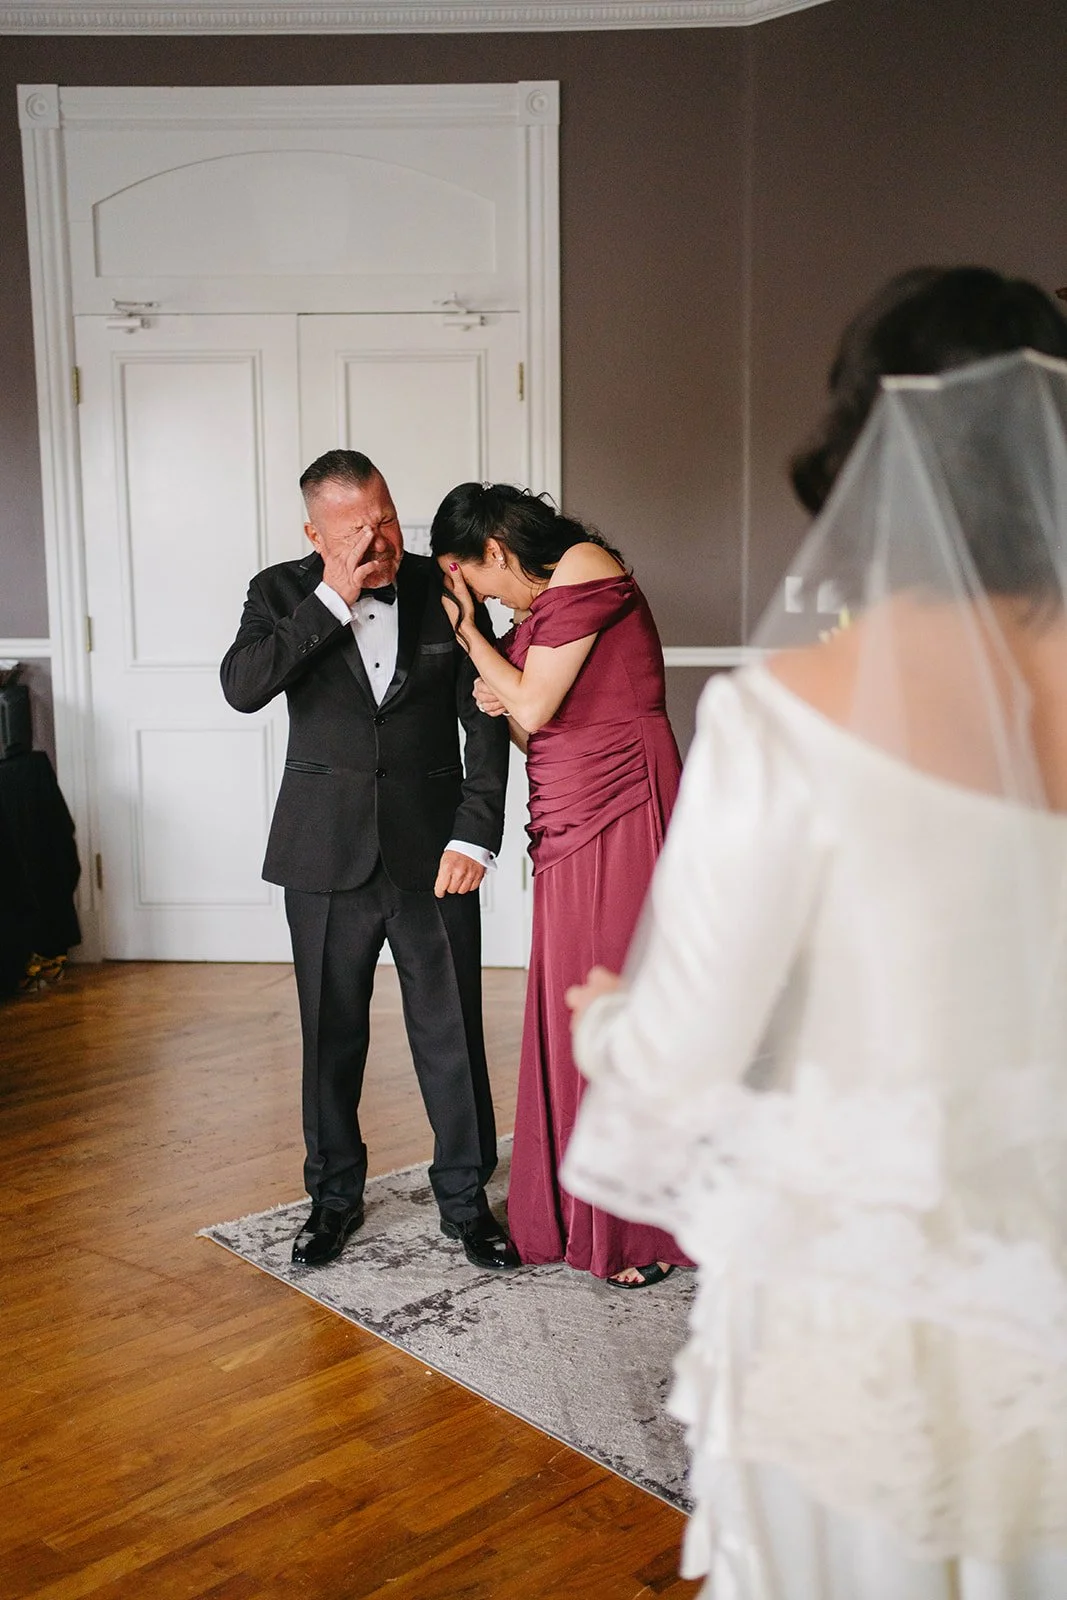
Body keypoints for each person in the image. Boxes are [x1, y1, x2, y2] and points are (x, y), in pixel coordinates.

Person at [562, 267, 1067, 1598]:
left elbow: (681, 1051)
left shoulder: (786, 716)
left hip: (868, 1297)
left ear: (862, 452)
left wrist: (604, 1018)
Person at [221, 450, 517, 1272]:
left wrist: (475, 832)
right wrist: (331, 597)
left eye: (385, 518)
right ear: (314, 534)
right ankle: (332, 1199)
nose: (378, 539)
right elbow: (243, 687)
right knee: (330, 1034)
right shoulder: (277, 593)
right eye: (354, 529)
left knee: (452, 1031)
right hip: (322, 853)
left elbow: (486, 715)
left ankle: (466, 1202)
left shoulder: (445, 586)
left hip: (436, 854)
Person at [429, 483, 692, 1286]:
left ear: (495, 552)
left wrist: (473, 640)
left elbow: (537, 706)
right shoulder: (541, 609)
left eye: (479, 582)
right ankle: (580, 1208)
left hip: (624, 799)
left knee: (618, 996)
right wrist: (499, 689)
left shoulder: (583, 564)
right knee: (574, 996)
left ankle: (640, 1226)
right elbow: (534, 724)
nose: (486, 600)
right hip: (568, 807)